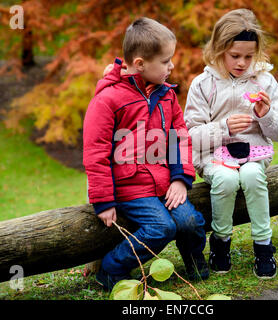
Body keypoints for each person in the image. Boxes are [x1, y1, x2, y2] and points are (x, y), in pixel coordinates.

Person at [83, 17, 209, 291]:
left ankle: (194, 257)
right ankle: (112, 267)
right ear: (140, 64)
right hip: (130, 187)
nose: (171, 66)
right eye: (165, 61)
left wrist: (179, 178)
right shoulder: (108, 100)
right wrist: (103, 200)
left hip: (164, 182)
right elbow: (96, 152)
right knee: (162, 228)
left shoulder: (167, 95)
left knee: (189, 221)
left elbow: (180, 137)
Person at [184, 8, 278, 279]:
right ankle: (221, 243)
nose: (242, 63)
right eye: (235, 56)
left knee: (253, 176)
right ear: (219, 50)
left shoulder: (264, 81)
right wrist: (223, 128)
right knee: (226, 179)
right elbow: (191, 136)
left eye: (248, 56)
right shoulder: (203, 84)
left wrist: (265, 115)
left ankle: (263, 245)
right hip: (213, 155)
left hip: (254, 152)